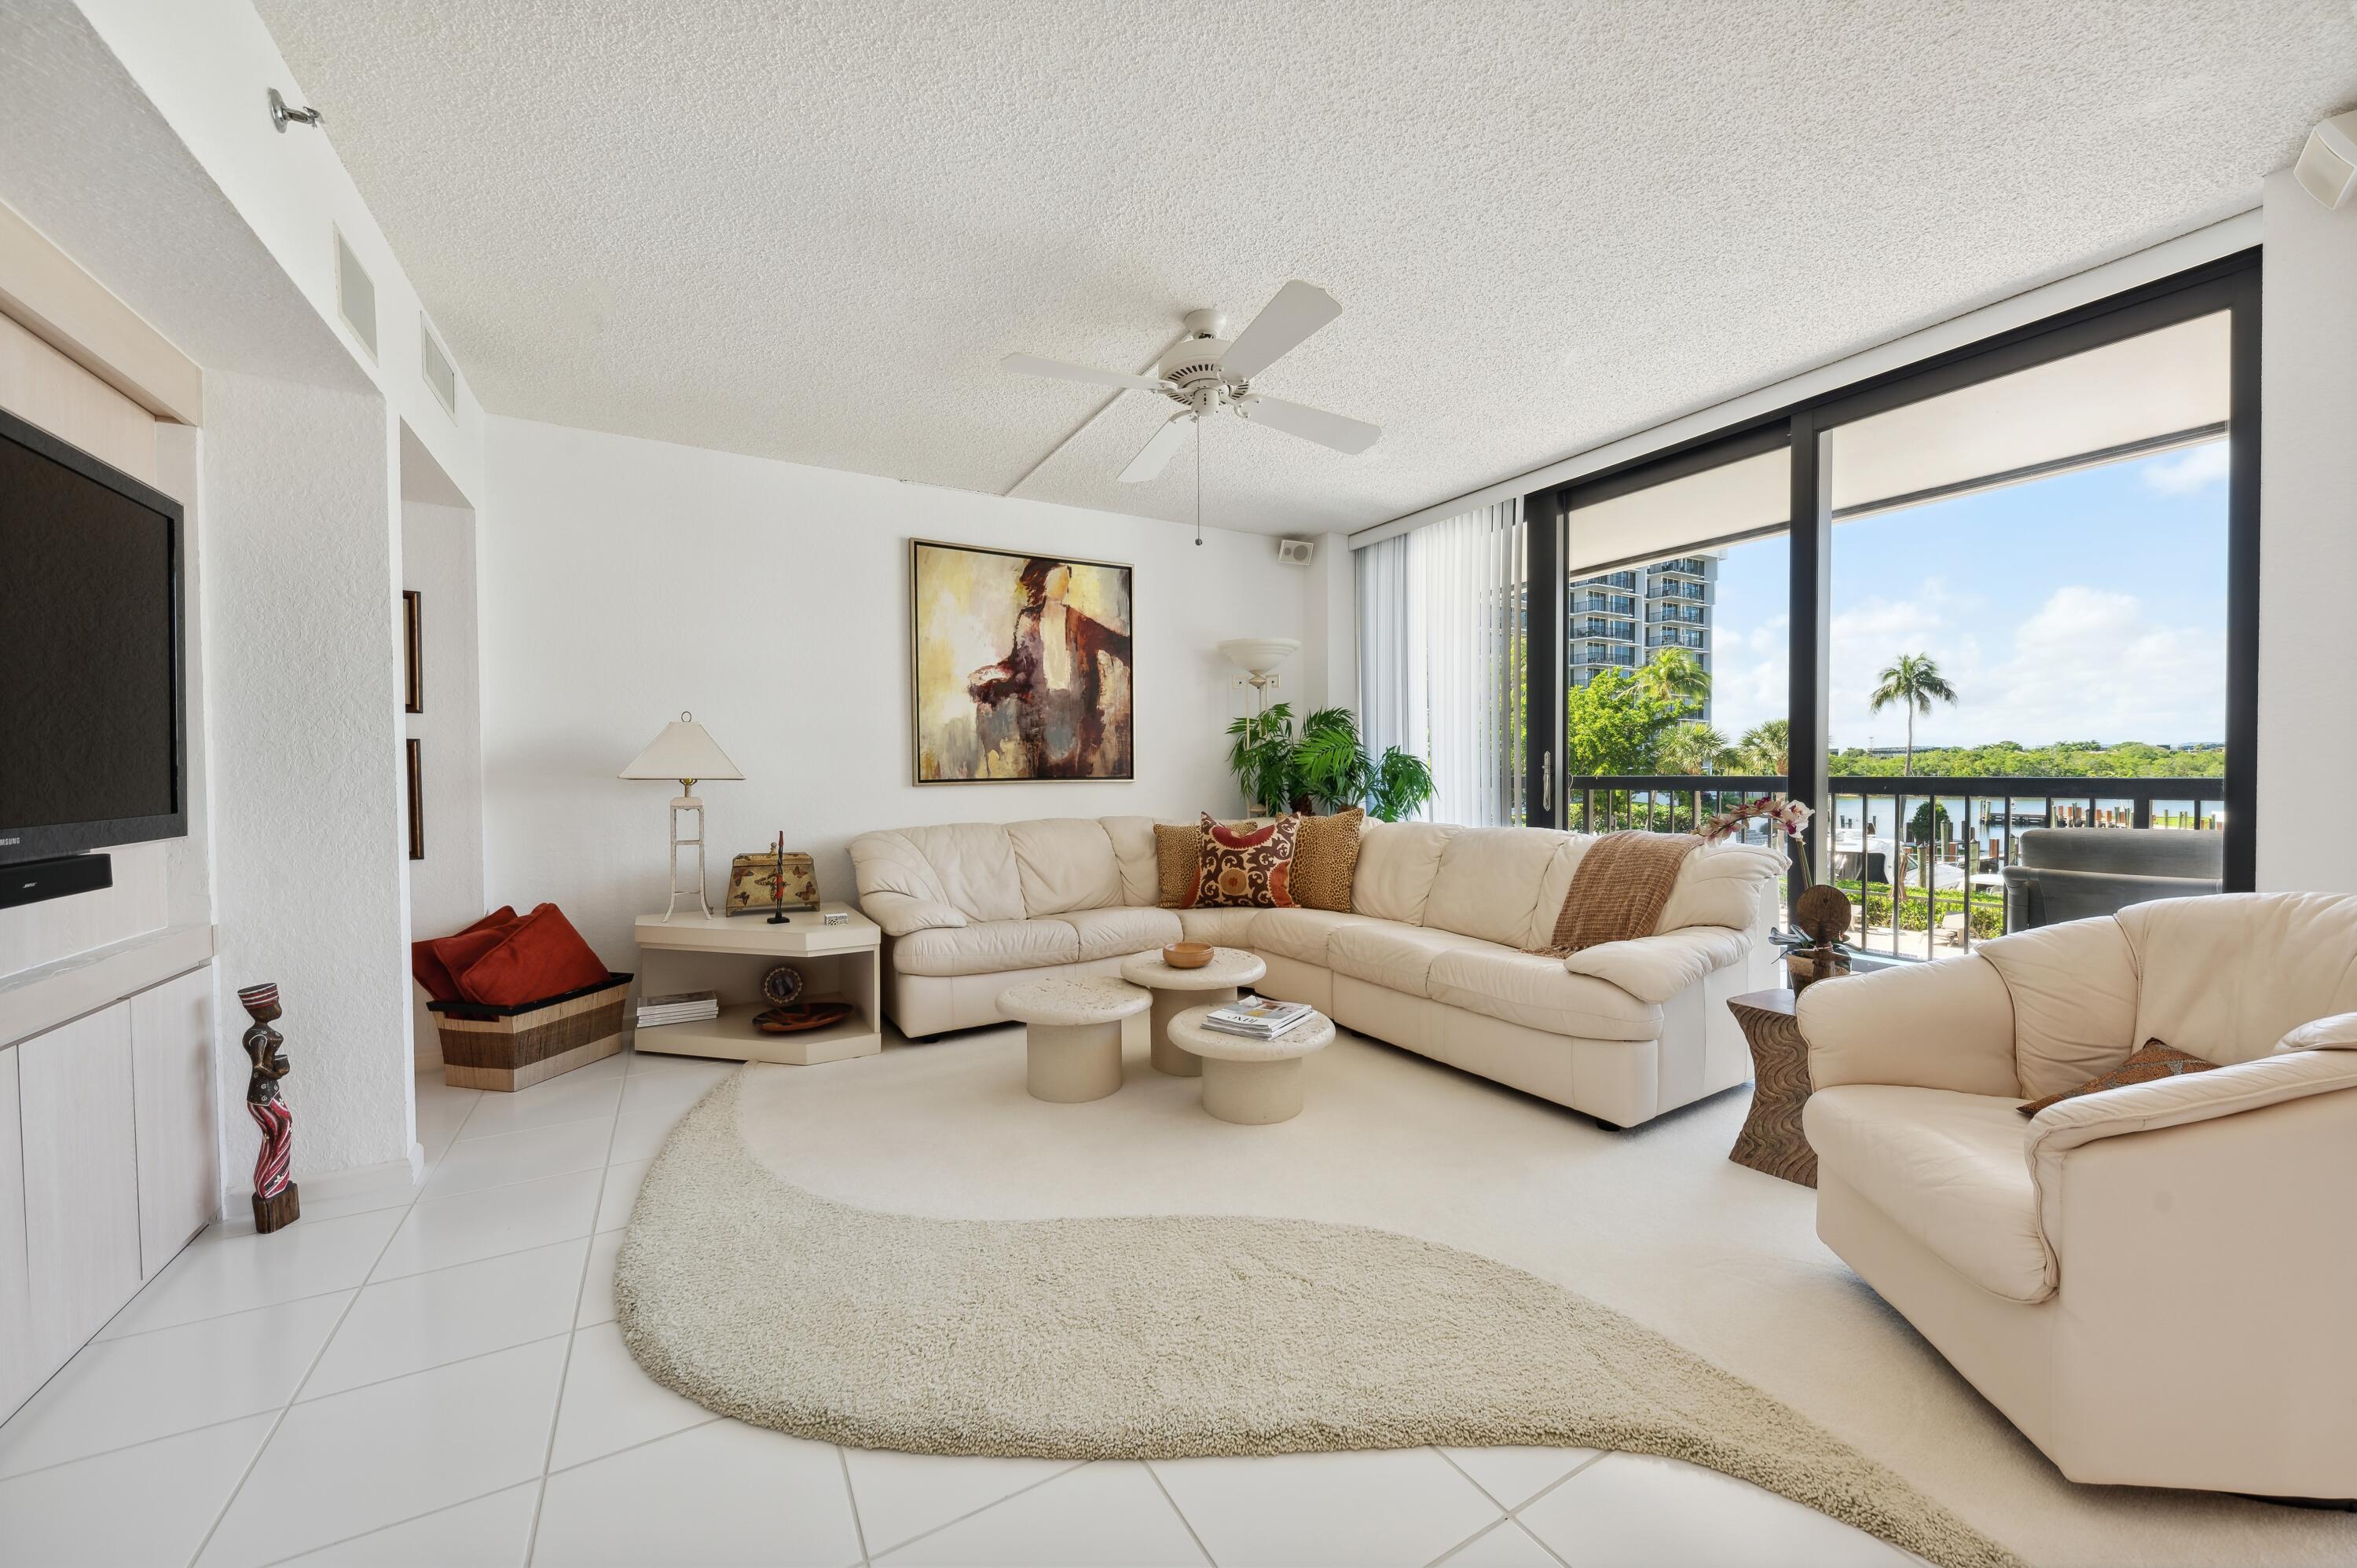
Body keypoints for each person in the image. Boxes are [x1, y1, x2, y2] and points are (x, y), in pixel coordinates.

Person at [966, 558, 1132, 777]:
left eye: (1066, 579)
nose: (1063, 585)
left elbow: (1119, 645)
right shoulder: (1028, 620)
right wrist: (994, 672)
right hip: (1039, 714)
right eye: (1057, 578)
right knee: (1043, 775)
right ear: (1043, 581)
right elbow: (1019, 665)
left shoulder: (1079, 621)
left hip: (1076, 711)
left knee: (1074, 775)